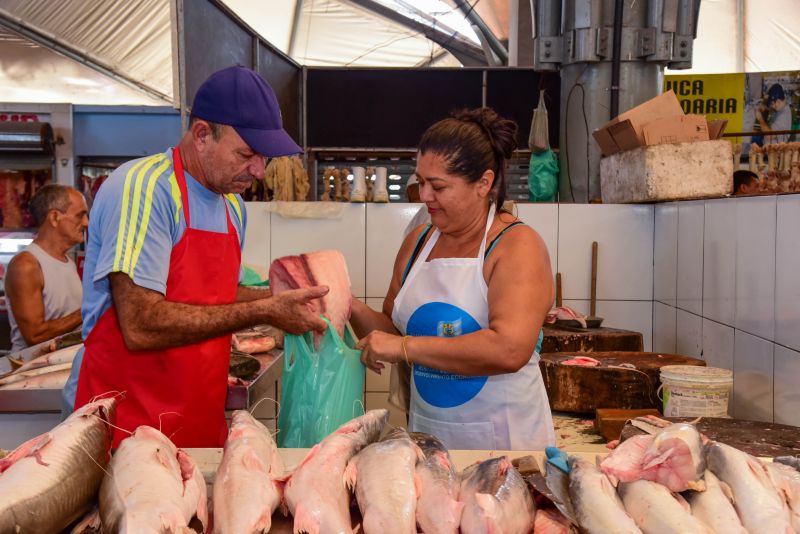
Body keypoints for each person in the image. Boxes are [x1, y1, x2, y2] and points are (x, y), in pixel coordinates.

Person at [65, 66, 328, 448]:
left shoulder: (232, 207)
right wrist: (265, 311)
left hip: (198, 424)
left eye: (264, 158)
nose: (258, 170)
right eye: (247, 153)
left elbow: (210, 295)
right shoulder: (146, 188)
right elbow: (141, 324)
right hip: (126, 429)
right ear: (203, 134)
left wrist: (283, 297)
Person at [350, 107, 556, 451]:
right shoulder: (417, 242)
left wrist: (404, 348)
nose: (424, 195)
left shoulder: (517, 246)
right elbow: (393, 331)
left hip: (506, 443)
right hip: (430, 437)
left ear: (484, 184)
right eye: (421, 181)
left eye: (438, 186)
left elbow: (510, 349)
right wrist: (346, 305)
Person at [5, 185, 87, 352]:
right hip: (33, 371)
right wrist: (88, 311)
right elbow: (35, 335)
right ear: (55, 217)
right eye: (80, 215)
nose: (86, 222)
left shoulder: (68, 262)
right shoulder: (26, 265)